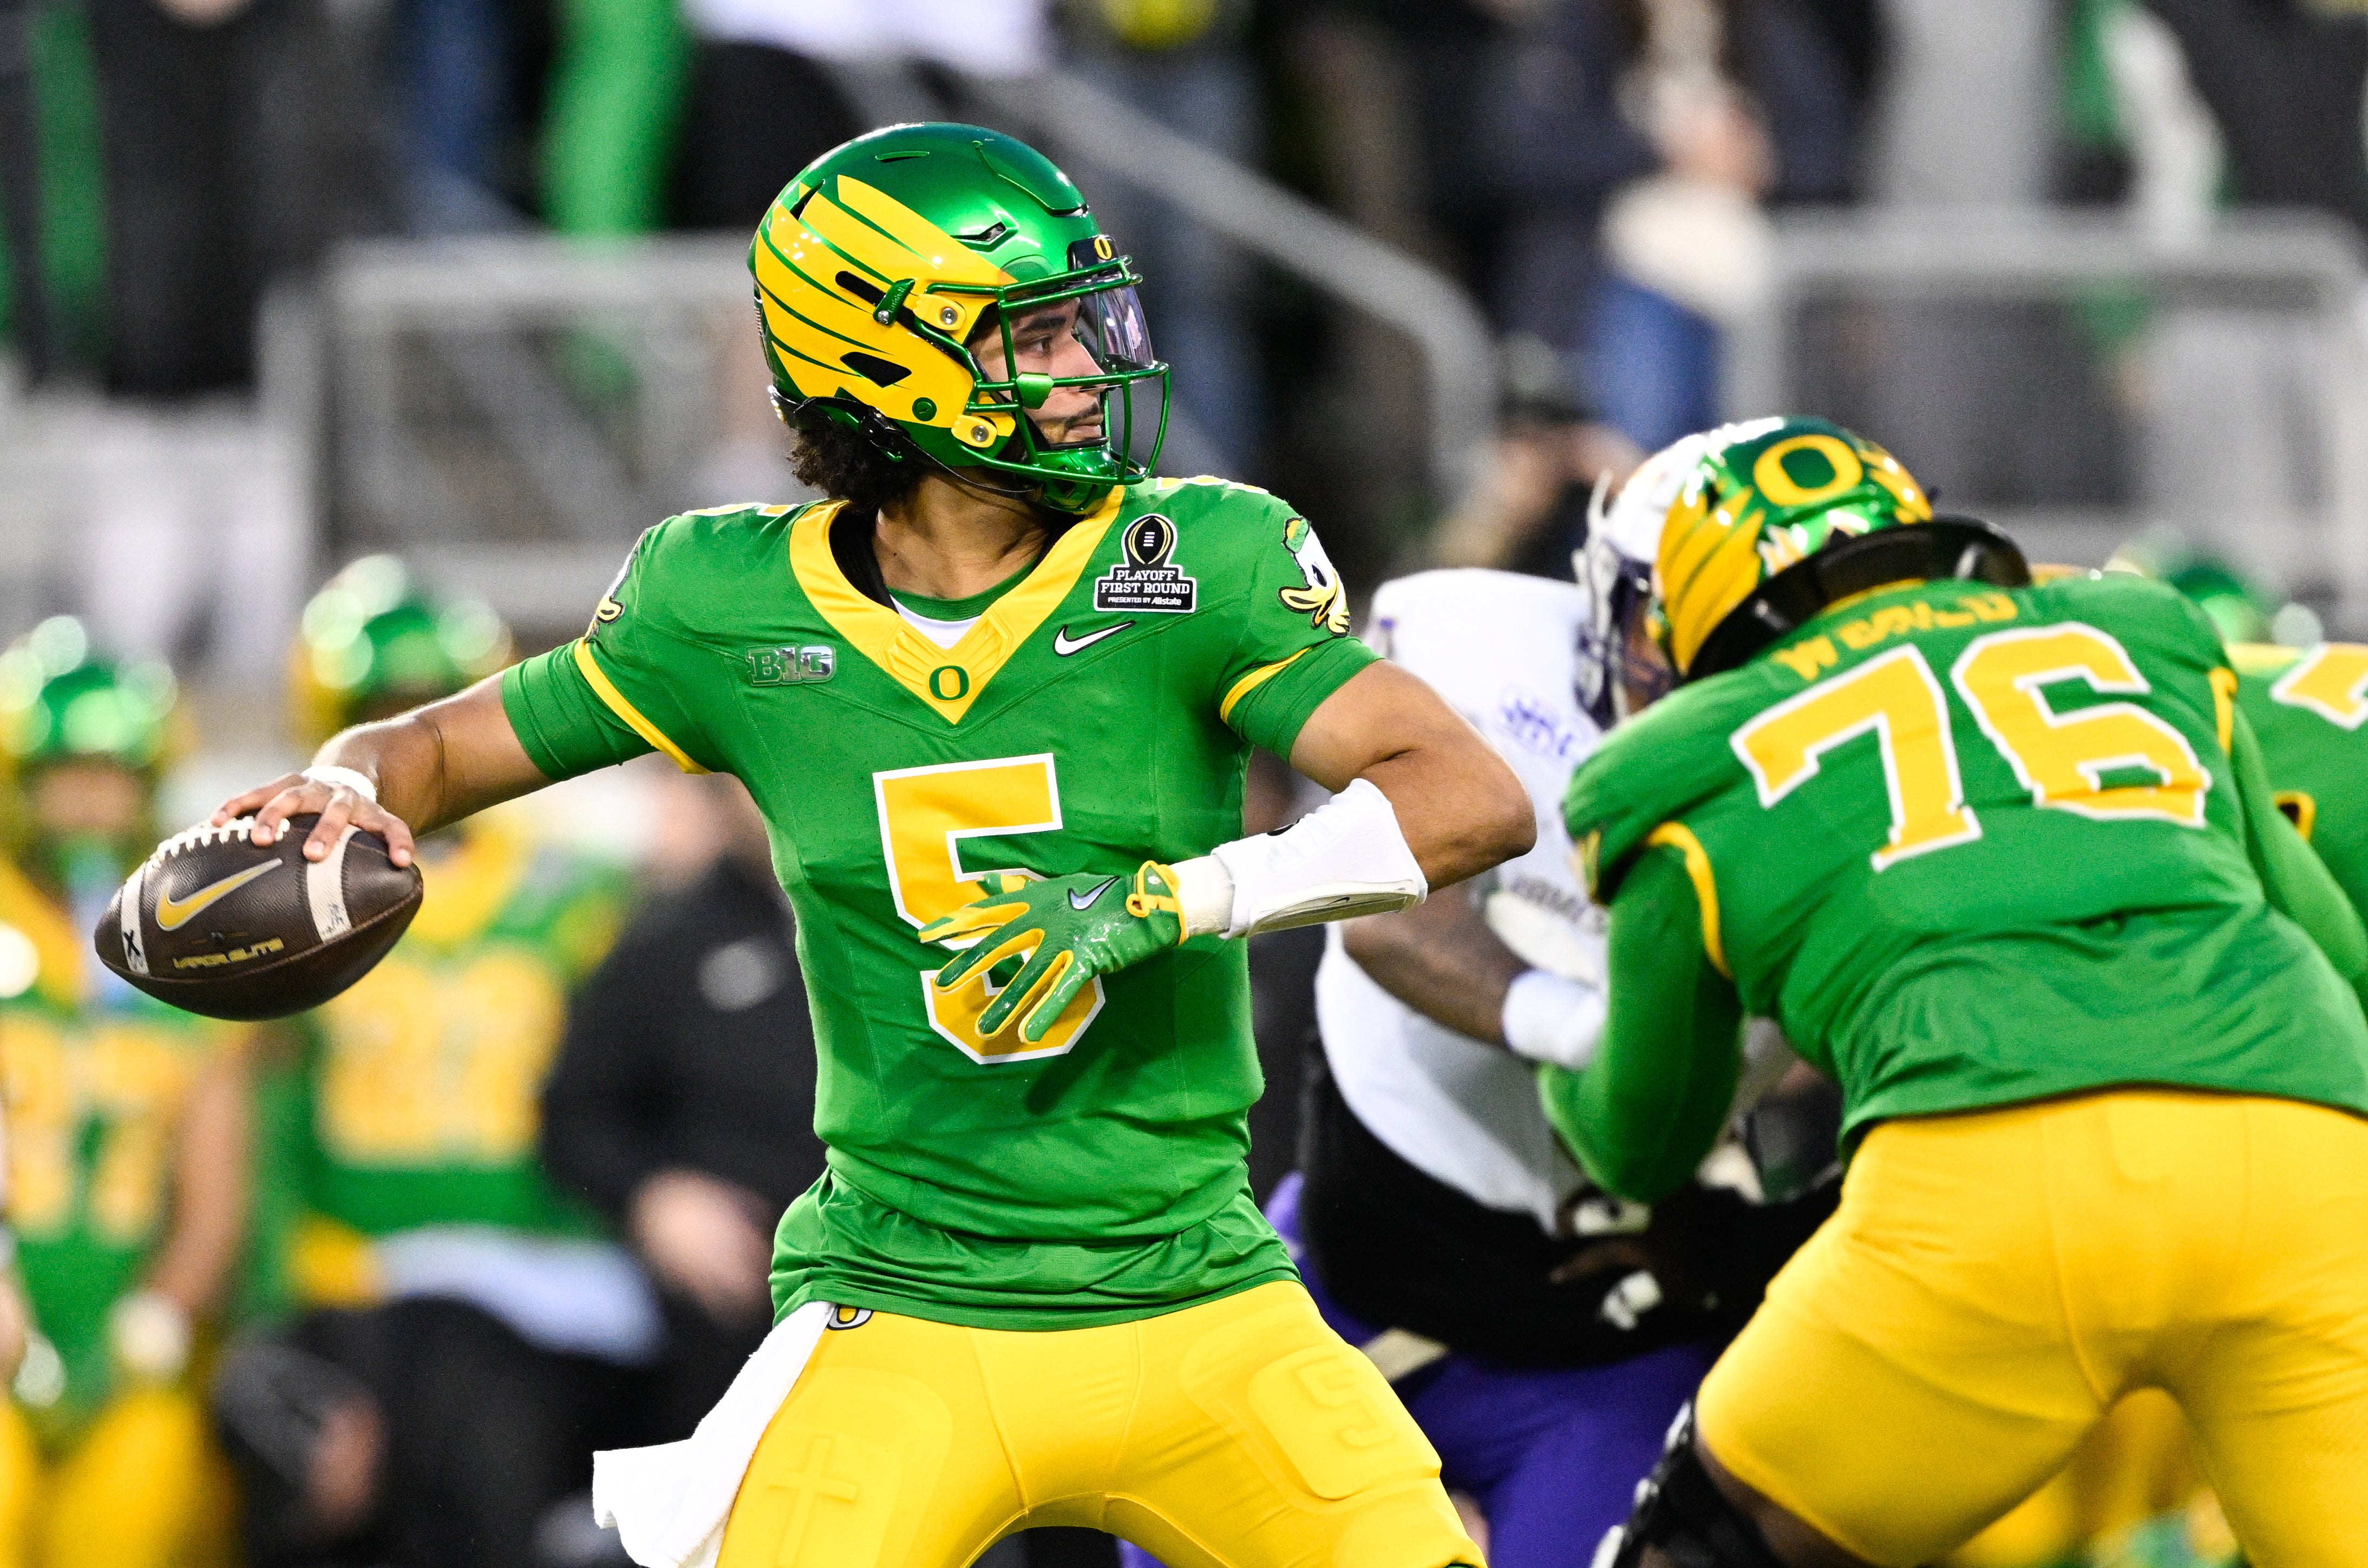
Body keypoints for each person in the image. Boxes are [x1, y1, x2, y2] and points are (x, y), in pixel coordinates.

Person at [206, 122, 1532, 1568]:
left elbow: (1467, 794)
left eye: (1088, 320)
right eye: (1038, 336)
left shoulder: (1188, 560)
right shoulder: (724, 603)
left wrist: (1179, 894)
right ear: (888, 365)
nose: (1094, 365)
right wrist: (342, 784)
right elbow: (442, 746)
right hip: (906, 1304)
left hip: (1195, 1294)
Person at [1549, 416, 2368, 1567]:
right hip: (2305, 1154)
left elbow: (1643, 1140)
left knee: (1710, 1540)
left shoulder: (1677, 764)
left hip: (1995, 1189)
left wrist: (1552, 1051)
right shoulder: (2141, 632)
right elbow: (2330, 945)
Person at [1160, 438, 1829, 1568]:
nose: (1687, 659)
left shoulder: (1849, 781)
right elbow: (1383, 912)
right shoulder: (1480, 642)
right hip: (1347, 1274)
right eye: (1669, 615)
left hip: (1603, 1347)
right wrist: (1592, 1039)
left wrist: (1751, 1243)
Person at [212, 559, 647, 1568]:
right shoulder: (277, 906)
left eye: (426, 711)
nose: (408, 742)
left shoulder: (583, 893)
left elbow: (635, 1087)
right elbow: (262, 1121)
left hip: (541, 1281)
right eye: (382, 713)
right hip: (355, 1280)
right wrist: (273, 1300)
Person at [0, 620, 251, 1568]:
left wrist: (154, 1321)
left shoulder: (184, 949)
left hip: (126, 1330)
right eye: (68, 775)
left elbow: (213, 1192)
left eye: (111, 775)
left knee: (139, 1509)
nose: (90, 804)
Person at [540, 772, 827, 1444]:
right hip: (741, 1310)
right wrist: (652, 1196)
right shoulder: (665, 942)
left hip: (933, 1281)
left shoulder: (928, 924)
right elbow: (573, 1114)